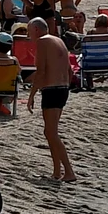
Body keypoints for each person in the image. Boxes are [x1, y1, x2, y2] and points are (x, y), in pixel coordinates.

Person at [25, 18, 76, 182]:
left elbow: (41, 71)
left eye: (29, 30)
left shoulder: (42, 42)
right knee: (50, 132)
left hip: (52, 89)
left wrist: (31, 95)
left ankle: (69, 172)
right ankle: (56, 172)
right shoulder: (58, 40)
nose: (28, 35)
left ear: (37, 30)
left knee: (52, 133)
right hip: (62, 89)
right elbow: (70, 70)